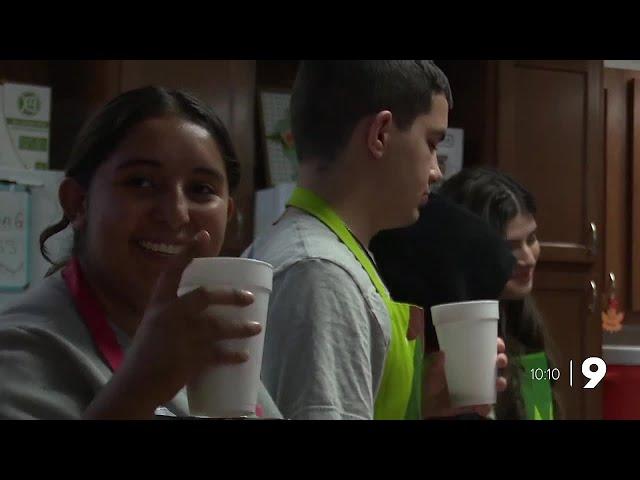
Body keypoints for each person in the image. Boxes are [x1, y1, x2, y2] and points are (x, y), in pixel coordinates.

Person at [246, 61, 508, 420]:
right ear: (380, 134)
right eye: (432, 143)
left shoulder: (308, 251)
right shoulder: (322, 275)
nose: (436, 172)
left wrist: (424, 408)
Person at [0, 86, 281, 420]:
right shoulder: (20, 353)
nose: (176, 213)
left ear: (229, 213)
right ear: (77, 202)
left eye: (201, 190)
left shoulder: (208, 337)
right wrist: (140, 388)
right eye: (142, 182)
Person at [372, 167, 559, 420]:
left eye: (532, 239)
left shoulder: (525, 325)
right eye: (510, 246)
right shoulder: (437, 334)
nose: (528, 257)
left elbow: (543, 413)